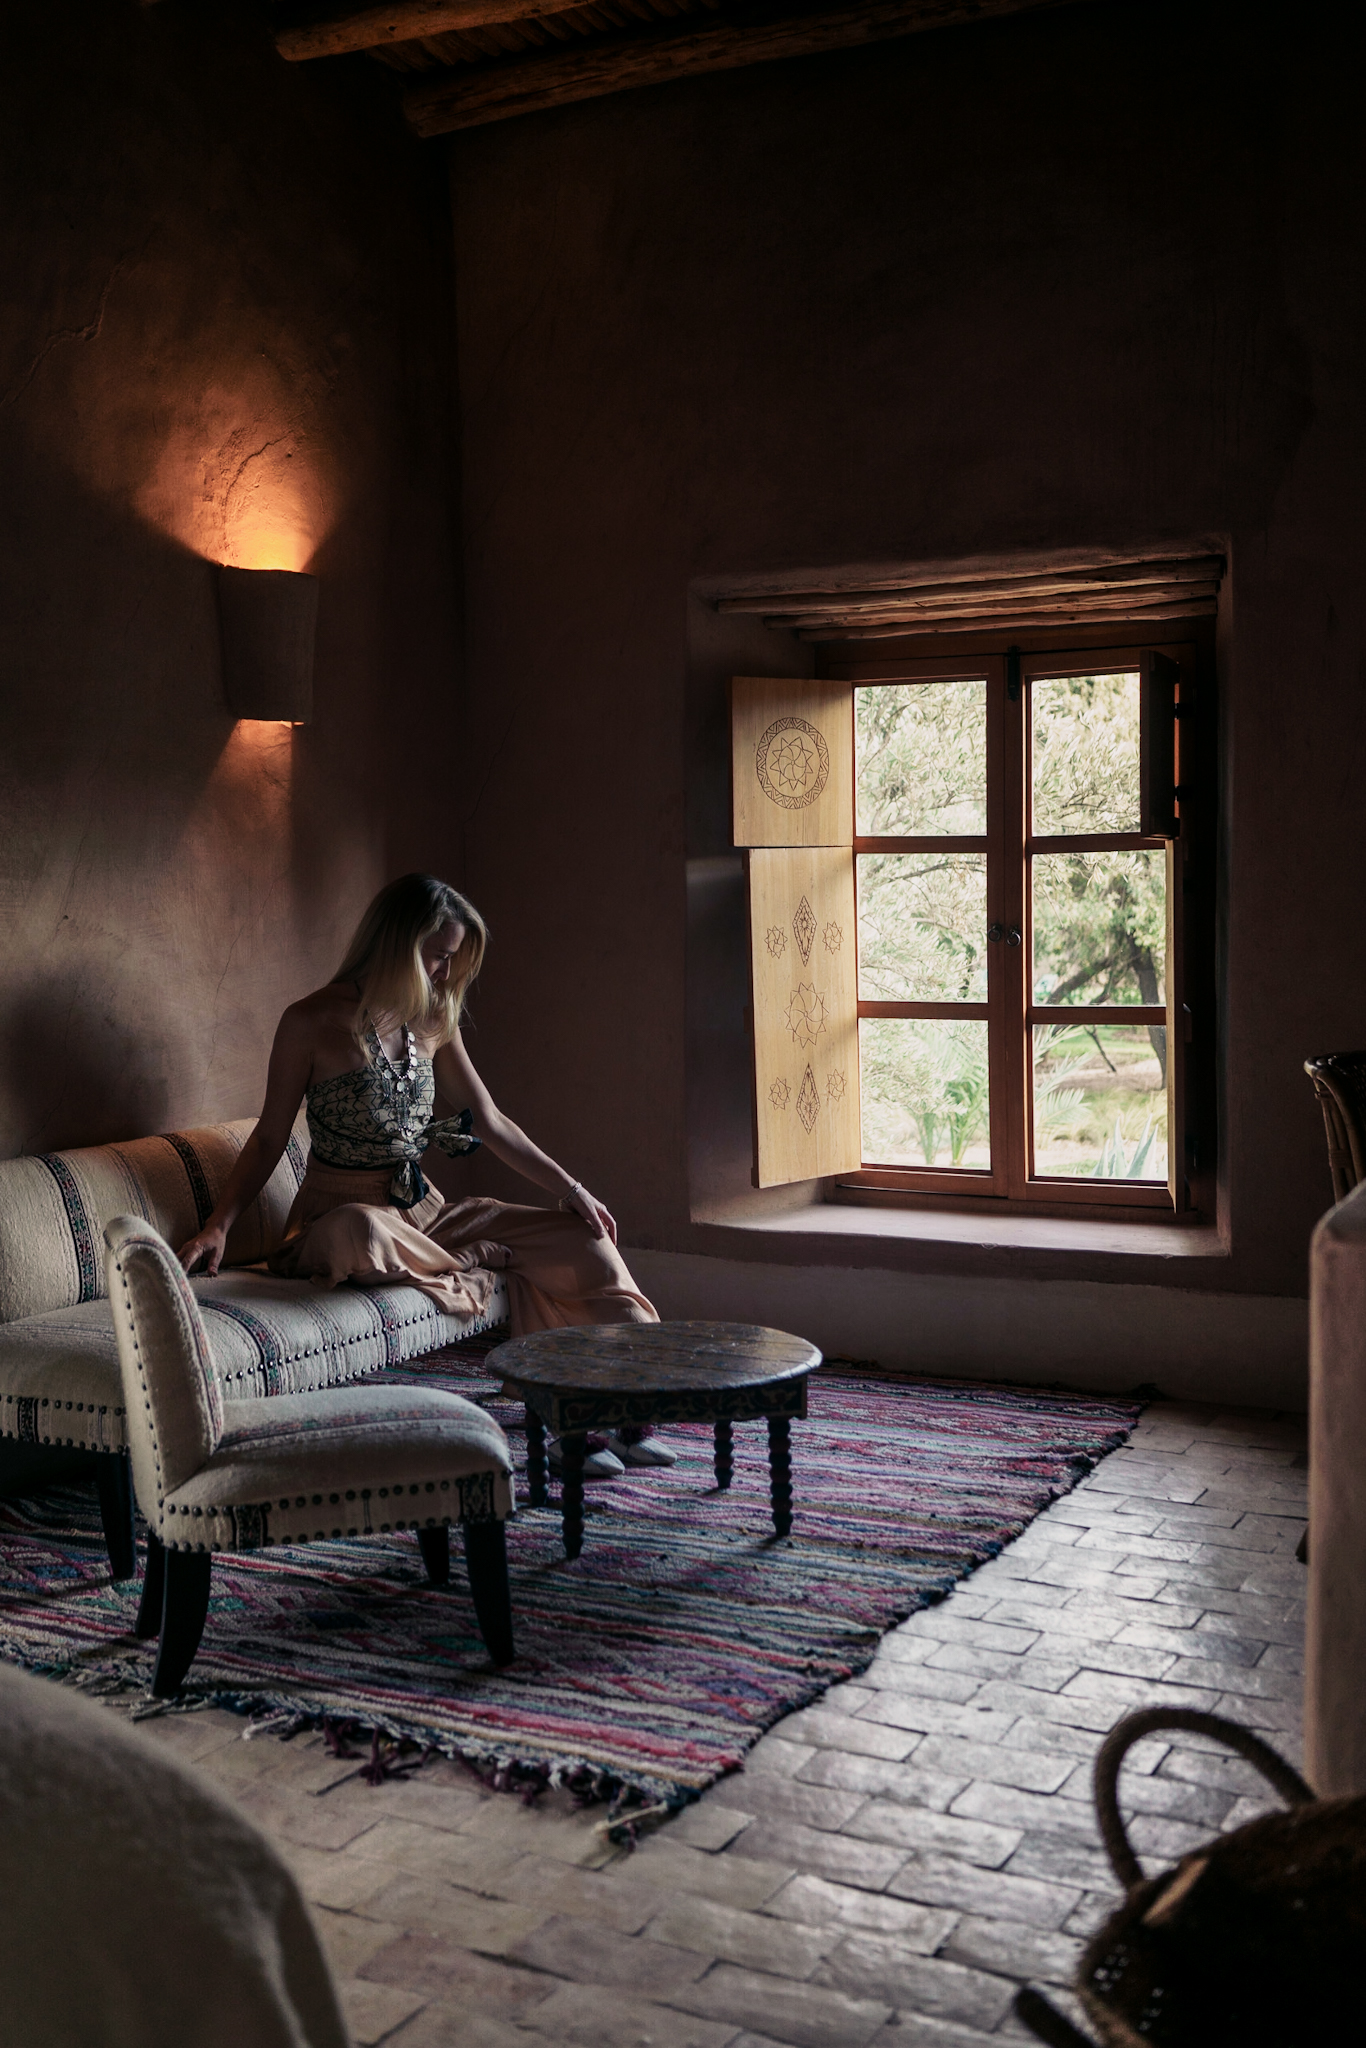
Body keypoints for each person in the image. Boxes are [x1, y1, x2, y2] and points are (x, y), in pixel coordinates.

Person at [178, 873, 671, 1478]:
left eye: (453, 959)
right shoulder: (309, 1021)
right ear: (397, 945)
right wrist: (219, 1225)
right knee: (364, 1230)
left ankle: (609, 1405)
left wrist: (572, 1190)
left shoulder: (434, 1020)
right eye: (438, 955)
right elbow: (268, 1137)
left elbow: (490, 1120)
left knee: (583, 1240)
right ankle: (472, 1262)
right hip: (338, 1222)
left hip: (426, 1217)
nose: (445, 973)